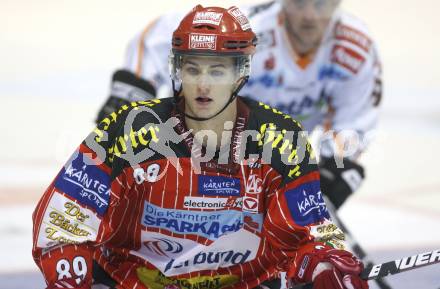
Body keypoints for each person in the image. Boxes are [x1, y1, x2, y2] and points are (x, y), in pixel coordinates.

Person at [33, 5, 369, 289]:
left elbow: (311, 236)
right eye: (192, 68)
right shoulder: (129, 132)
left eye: (218, 70)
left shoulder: (283, 141)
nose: (203, 84)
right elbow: (61, 224)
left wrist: (327, 265)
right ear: (176, 69)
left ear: (241, 73)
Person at [96, 0, 382, 212]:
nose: (309, 16)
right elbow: (162, 36)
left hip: (278, 158)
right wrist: (131, 89)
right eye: (299, 2)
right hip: (210, 145)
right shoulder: (252, 30)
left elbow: (354, 123)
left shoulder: (355, 50)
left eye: (320, 4)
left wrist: (332, 172)